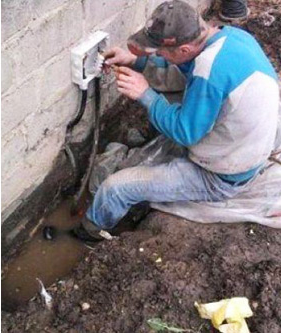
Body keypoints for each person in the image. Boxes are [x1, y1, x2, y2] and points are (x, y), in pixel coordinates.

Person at [71, 0, 279, 242]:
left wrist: (145, 94)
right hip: (245, 146)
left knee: (115, 189)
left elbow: (185, 133)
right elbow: (185, 69)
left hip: (222, 176)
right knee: (172, 88)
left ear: (183, 49)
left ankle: (88, 233)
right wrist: (134, 61)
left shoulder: (208, 73)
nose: (157, 55)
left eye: (160, 52)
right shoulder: (231, 37)